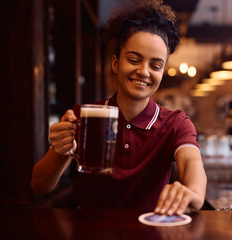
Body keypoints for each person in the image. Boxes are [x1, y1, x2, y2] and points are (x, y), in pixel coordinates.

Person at [31, 0, 207, 215]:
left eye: (155, 66)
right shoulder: (84, 116)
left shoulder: (176, 123)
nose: (144, 72)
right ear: (116, 63)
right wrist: (60, 152)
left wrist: (195, 193)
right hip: (88, 232)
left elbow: (191, 162)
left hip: (149, 231)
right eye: (134, 60)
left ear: (162, 72)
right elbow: (39, 186)